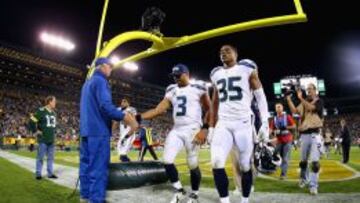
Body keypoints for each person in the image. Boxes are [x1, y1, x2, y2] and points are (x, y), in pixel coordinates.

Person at [136, 63, 213, 203]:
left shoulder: (198, 87)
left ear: (187, 74)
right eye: (174, 76)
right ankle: (179, 190)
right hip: (177, 129)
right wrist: (138, 117)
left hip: (193, 128)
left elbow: (209, 109)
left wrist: (205, 128)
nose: (175, 78)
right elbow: (159, 109)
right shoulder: (171, 89)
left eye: (178, 75)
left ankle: (195, 194)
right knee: (167, 160)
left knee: (192, 163)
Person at [209, 44, 270, 203]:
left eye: (227, 50)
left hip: (243, 123)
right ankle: (225, 200)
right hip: (223, 123)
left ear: (236, 54)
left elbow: (260, 96)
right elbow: (214, 102)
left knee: (245, 165)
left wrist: (265, 122)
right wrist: (210, 127)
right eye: (221, 51)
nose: (223, 53)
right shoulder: (216, 73)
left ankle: (245, 199)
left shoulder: (246, 68)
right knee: (216, 162)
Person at [79, 57, 138, 203]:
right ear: (103, 66)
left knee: (86, 165)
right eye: (110, 66)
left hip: (86, 130)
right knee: (98, 168)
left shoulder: (87, 83)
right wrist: (125, 116)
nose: (111, 69)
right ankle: (96, 200)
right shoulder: (100, 81)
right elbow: (105, 107)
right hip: (98, 131)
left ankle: (85, 196)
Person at [287, 83, 324, 195]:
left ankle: (313, 185)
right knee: (303, 162)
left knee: (315, 162)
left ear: (315, 90)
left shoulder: (319, 101)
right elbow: (294, 111)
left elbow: (311, 108)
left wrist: (300, 98)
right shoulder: (303, 103)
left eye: (310, 89)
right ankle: (304, 179)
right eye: (307, 89)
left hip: (315, 134)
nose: (308, 91)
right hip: (304, 134)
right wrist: (289, 100)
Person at [29, 96, 58, 180]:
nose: (55, 103)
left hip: (51, 139)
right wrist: (35, 131)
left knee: (50, 158)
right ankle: (38, 173)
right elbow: (31, 121)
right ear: (49, 102)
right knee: (40, 157)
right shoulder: (41, 111)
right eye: (54, 101)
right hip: (43, 139)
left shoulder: (53, 113)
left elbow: (52, 127)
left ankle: (50, 173)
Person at [269, 102, 296, 180]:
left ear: (282, 108)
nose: (278, 108)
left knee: (285, 158)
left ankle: (283, 174)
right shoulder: (274, 119)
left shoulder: (287, 117)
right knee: (275, 155)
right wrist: (267, 135)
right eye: (277, 107)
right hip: (279, 141)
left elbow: (294, 126)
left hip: (287, 140)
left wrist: (286, 127)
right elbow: (271, 129)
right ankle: (278, 167)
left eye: (279, 107)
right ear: (275, 109)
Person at [114, 98, 137, 162]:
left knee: (123, 152)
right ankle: (127, 161)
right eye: (122, 101)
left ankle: (125, 161)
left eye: (124, 101)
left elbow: (134, 120)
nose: (122, 103)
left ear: (128, 103)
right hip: (122, 131)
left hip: (129, 131)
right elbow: (115, 121)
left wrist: (128, 118)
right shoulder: (118, 109)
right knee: (120, 151)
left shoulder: (131, 109)